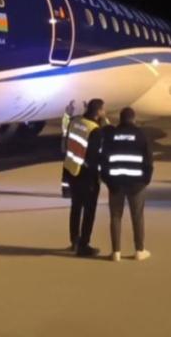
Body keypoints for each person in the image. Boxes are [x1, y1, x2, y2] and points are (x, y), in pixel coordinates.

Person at [100, 107, 154, 262]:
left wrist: (108, 180)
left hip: (116, 183)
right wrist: (145, 180)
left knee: (115, 216)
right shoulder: (141, 135)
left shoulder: (111, 135)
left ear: (120, 119)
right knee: (137, 216)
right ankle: (139, 250)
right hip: (136, 184)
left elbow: (104, 160)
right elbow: (148, 161)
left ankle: (116, 252)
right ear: (134, 119)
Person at [63, 98, 106, 256]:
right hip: (87, 175)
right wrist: (98, 176)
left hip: (72, 170)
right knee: (89, 211)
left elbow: (68, 140)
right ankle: (84, 245)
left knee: (76, 207)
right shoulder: (94, 130)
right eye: (103, 109)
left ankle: (74, 240)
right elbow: (93, 157)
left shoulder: (75, 122)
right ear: (98, 111)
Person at [60, 100, 77, 198]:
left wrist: (67, 113)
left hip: (67, 153)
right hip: (74, 153)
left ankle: (66, 191)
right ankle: (70, 190)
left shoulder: (67, 129)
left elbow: (65, 123)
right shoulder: (77, 129)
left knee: (67, 173)